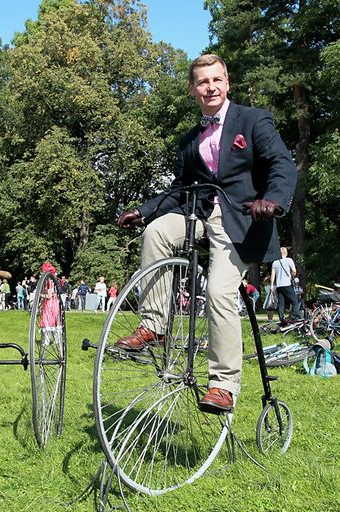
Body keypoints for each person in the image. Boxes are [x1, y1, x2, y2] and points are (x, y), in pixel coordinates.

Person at [116, 54, 297, 414]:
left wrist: (272, 200)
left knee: (218, 290)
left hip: (241, 222)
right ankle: (154, 325)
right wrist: (146, 209)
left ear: (227, 83)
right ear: (192, 89)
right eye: (202, 81)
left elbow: (281, 163)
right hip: (199, 215)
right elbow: (180, 190)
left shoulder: (253, 120)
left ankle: (223, 385)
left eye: (216, 80)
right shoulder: (190, 140)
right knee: (157, 232)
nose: (210, 87)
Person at [270, 247, 299, 325]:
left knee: (281, 303)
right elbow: (294, 271)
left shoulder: (275, 262)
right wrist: (292, 276)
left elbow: (273, 274)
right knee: (295, 301)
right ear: (286, 253)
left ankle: (282, 319)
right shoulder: (289, 260)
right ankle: (294, 316)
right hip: (287, 284)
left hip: (279, 285)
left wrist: (272, 285)